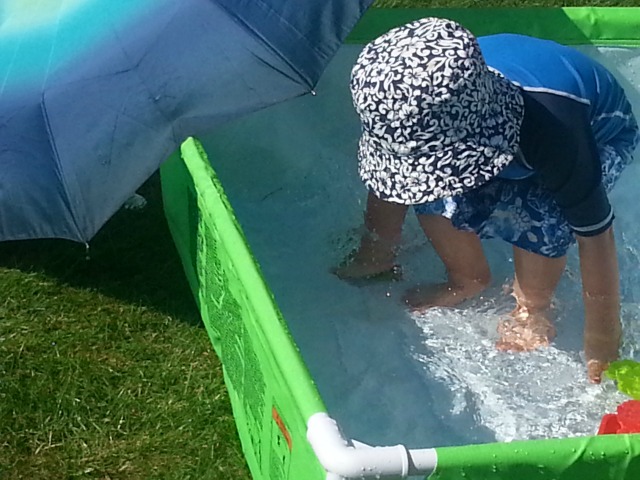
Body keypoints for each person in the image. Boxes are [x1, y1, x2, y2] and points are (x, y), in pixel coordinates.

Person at [335, 17, 640, 384]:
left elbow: (596, 237)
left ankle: (534, 309)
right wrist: (376, 253)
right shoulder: (407, 108)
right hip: (478, 120)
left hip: (597, 135)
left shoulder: (557, 132)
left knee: (542, 211)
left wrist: (603, 343)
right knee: (426, 187)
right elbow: (393, 183)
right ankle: (466, 278)